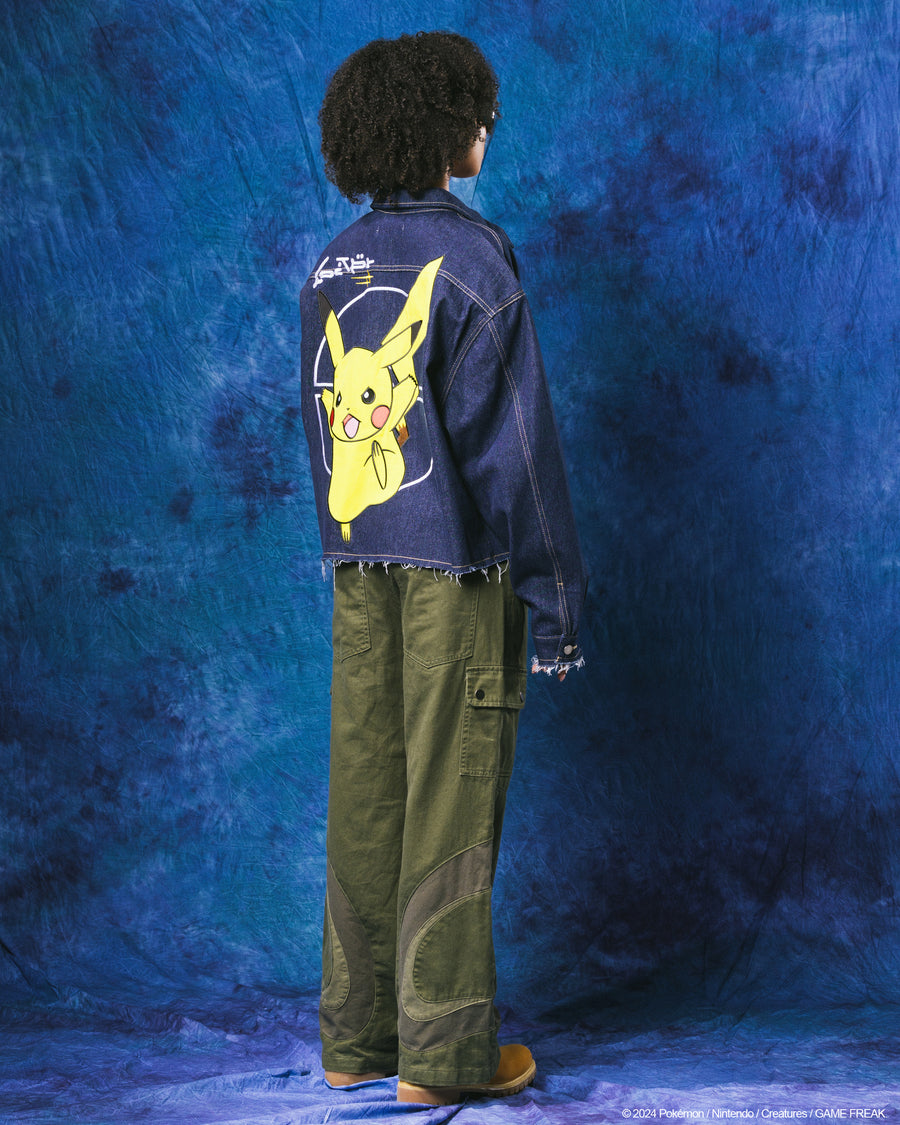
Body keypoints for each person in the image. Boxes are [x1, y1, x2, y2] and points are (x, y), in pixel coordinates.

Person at [299, 31, 586, 1107]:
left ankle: (355, 1038)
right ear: (444, 130)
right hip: (458, 579)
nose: (487, 130)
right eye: (479, 115)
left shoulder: (332, 264)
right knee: (450, 802)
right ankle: (446, 1054)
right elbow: (517, 452)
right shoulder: (474, 263)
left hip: (359, 569)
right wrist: (555, 601)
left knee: (367, 786)